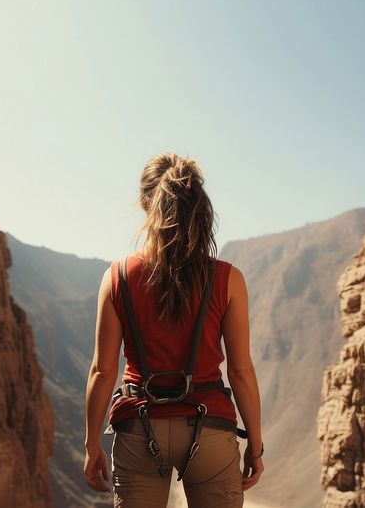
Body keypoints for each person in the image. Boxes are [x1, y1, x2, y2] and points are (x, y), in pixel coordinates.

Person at [83, 153, 264, 507]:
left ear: (143, 202)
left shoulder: (117, 277)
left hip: (138, 427)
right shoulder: (228, 279)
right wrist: (255, 446)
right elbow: (240, 371)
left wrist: (92, 446)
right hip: (209, 426)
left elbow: (103, 372)